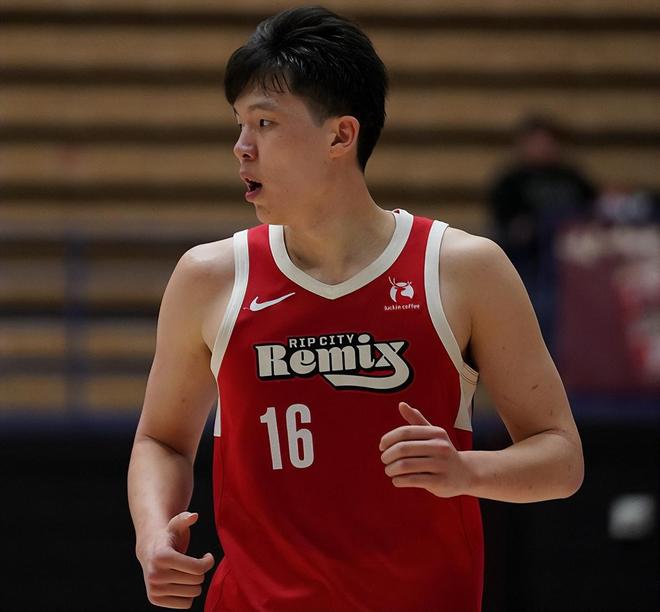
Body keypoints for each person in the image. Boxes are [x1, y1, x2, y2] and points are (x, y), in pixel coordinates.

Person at [127, 7, 584, 611]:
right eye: (239, 124)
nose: (241, 147)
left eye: (264, 123)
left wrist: (466, 472)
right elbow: (161, 440)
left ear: (341, 136)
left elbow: (561, 457)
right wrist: (152, 535)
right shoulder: (209, 277)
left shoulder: (462, 269)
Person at [488, 115, 597, 352]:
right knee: (540, 307)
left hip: (571, 261)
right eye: (536, 142)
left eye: (546, 142)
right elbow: (502, 223)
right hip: (528, 262)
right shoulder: (511, 181)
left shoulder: (571, 178)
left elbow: (592, 211)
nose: (542, 148)